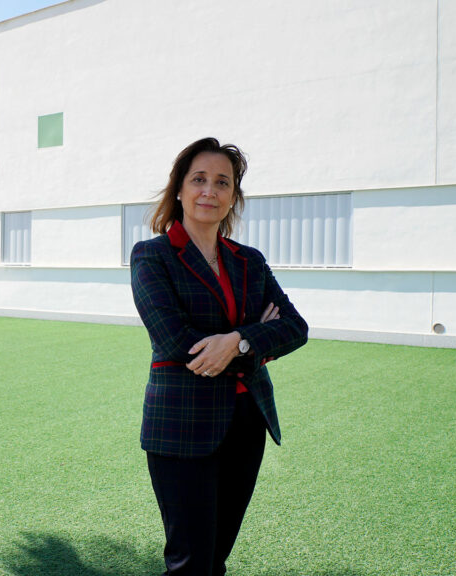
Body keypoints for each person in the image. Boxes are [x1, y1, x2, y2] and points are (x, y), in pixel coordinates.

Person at [130, 137, 308, 576]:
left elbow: (294, 328)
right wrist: (256, 336)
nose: (210, 190)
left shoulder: (249, 261)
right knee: (190, 561)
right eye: (199, 179)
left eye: (222, 182)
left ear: (233, 197)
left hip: (247, 420)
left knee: (216, 558)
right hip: (182, 424)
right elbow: (177, 343)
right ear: (179, 189)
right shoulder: (152, 257)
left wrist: (238, 341)